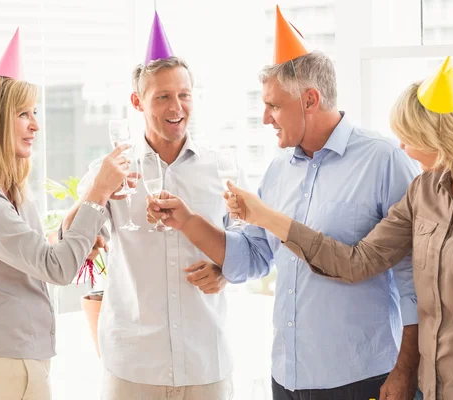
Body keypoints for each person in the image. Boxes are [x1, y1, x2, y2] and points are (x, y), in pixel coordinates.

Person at [220, 56, 453, 400]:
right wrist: (268, 218)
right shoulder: (423, 192)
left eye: (410, 137)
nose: (402, 146)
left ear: (441, 138)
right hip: (430, 389)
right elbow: (357, 261)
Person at [146, 7, 421, 400]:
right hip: (288, 377)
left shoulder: (384, 160)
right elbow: (252, 257)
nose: (264, 118)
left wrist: (406, 370)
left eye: (274, 106)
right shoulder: (278, 169)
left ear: (310, 99)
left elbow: (414, 279)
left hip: (364, 378)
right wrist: (187, 220)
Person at [0, 29, 130, 400]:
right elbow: (55, 269)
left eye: (35, 113)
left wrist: (72, 227)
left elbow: (36, 255)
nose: (36, 125)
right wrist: (97, 193)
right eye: (23, 114)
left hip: (17, 357)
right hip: (2, 361)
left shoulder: (6, 192)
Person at [62, 12, 234, 400]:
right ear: (137, 101)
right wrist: (96, 192)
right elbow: (66, 244)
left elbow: (251, 245)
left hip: (206, 362)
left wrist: (226, 269)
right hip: (132, 367)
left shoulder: (220, 168)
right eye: (163, 97)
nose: (178, 107)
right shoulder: (112, 169)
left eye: (184, 94)